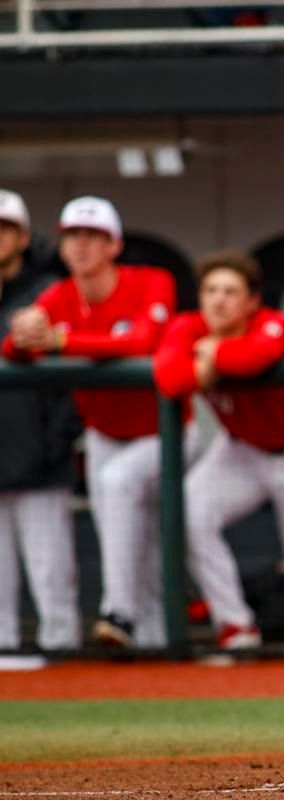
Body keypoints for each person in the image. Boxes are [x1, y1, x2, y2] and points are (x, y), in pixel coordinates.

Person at [3, 196, 190, 649]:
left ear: (115, 244)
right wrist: (27, 338)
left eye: (93, 237)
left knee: (117, 485)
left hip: (164, 432)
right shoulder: (58, 296)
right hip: (106, 432)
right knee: (126, 536)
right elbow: (13, 348)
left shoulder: (151, 280)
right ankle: (151, 641)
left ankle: (119, 612)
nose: (82, 246)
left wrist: (60, 340)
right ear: (62, 247)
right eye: (73, 237)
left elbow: (145, 340)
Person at [154, 250, 284, 650]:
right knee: (187, 512)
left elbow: (258, 356)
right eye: (210, 291)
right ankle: (235, 624)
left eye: (230, 292)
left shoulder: (277, 323)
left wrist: (210, 355)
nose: (218, 300)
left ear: (252, 301)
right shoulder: (188, 327)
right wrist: (208, 358)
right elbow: (169, 378)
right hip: (239, 453)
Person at [0, 189, 81, 652]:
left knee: (53, 585)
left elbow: (71, 385)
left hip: (39, 462)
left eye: (4, 229)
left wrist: (57, 443)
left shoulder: (48, 292)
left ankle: (68, 690)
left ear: (23, 236)